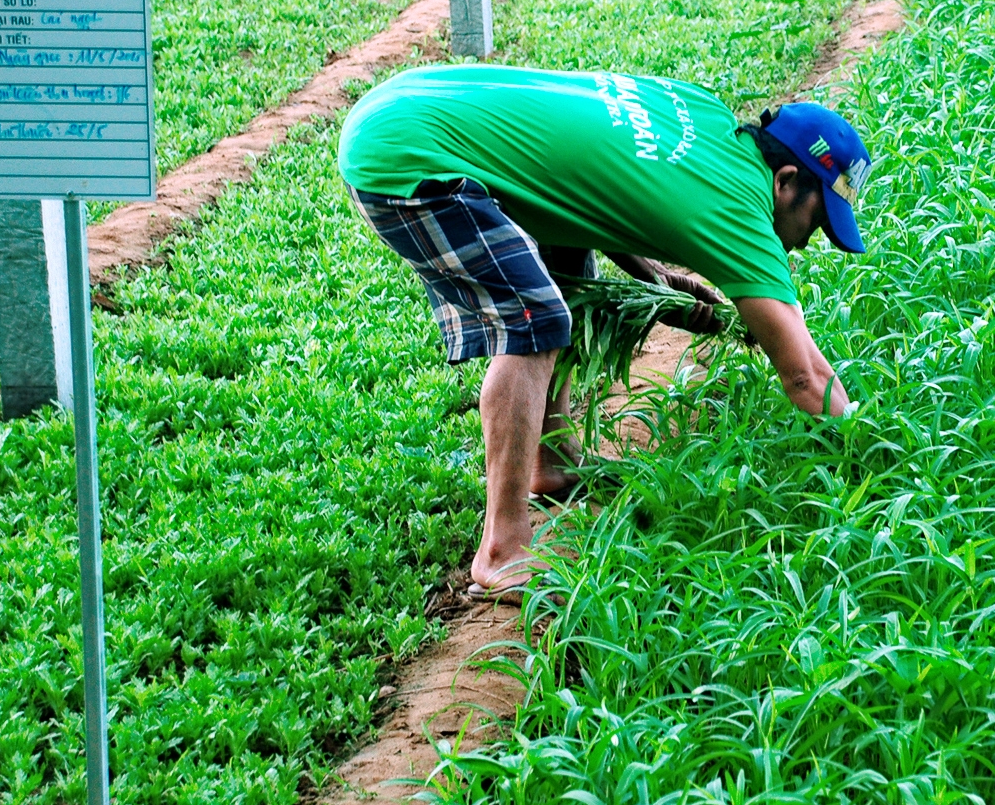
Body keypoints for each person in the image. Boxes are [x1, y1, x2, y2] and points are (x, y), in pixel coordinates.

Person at [337, 64, 873, 600]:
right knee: (536, 320)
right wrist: (871, 448)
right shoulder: (742, 213)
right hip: (405, 154)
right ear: (785, 182)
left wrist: (659, 282)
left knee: (570, 276)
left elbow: (602, 189)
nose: (809, 241)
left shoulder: (708, 118)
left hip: (413, 102)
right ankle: (502, 550)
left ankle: (552, 460)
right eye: (819, 221)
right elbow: (805, 376)